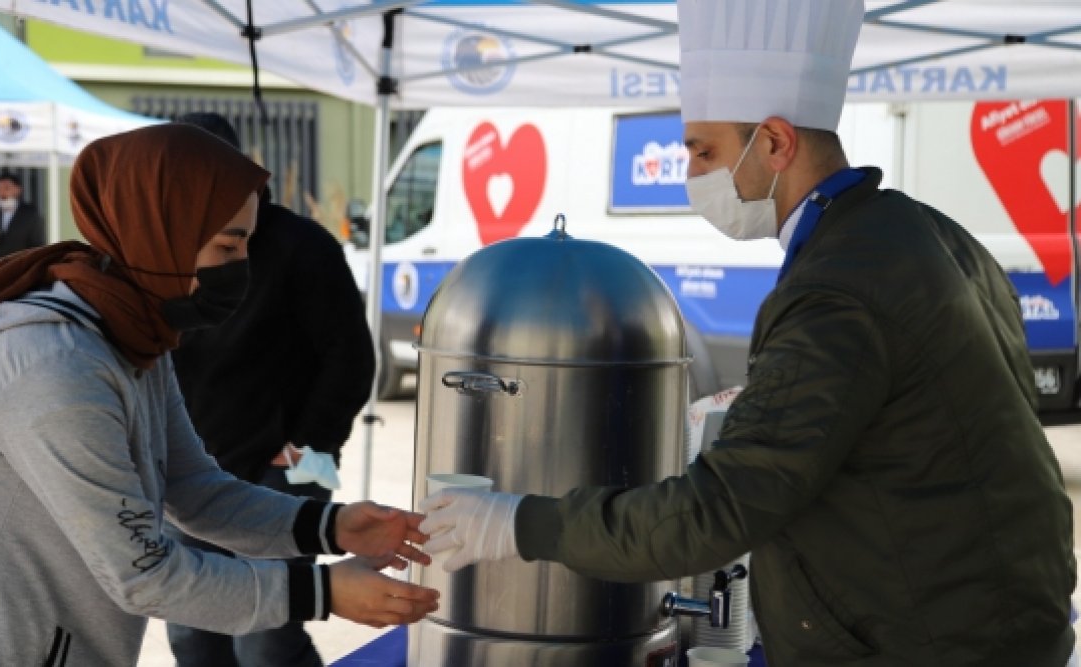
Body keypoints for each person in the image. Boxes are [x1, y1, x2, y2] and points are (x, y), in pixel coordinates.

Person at [418, 1, 1076, 665]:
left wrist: (515, 521)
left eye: (704, 152)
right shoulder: (931, 233)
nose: (692, 176)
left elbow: (717, 512)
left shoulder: (837, 288)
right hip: (1009, 622)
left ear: (775, 143)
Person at [0, 124, 438, 666]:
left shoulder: (131, 339)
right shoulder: (53, 368)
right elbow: (145, 574)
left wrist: (330, 526)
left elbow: (193, 490)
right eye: (229, 244)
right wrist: (320, 594)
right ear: (157, 230)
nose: (244, 263)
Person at [162, 112, 377, 667]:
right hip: (188, 472)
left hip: (284, 469)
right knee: (192, 634)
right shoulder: (162, 249)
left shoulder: (300, 246)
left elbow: (350, 356)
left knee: (265, 640)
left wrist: (310, 442)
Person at [0, 171, 46, 260]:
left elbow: (37, 243)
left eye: (6, 188)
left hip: (20, 264)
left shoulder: (29, 214)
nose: (2, 193)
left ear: (18, 189)